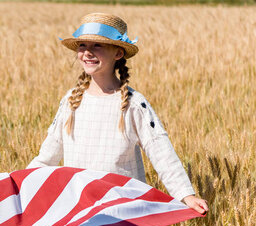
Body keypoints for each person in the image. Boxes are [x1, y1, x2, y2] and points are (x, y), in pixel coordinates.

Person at [28, 13, 208, 215]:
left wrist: (186, 195)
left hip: (123, 210)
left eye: (97, 45)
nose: (87, 52)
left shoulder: (133, 103)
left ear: (118, 53)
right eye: (82, 46)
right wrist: (19, 183)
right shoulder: (71, 100)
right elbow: (47, 156)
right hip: (79, 209)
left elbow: (160, 151)